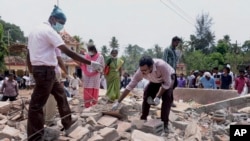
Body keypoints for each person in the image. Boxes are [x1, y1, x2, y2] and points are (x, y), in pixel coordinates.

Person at [26, 5, 102, 141]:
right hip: (45, 71)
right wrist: (90, 63)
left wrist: (32, 72)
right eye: (61, 23)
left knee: (61, 96)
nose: (61, 26)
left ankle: (68, 124)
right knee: (36, 105)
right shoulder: (48, 31)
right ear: (53, 19)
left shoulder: (34, 31)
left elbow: (28, 54)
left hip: (45, 72)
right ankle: (35, 137)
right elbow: (68, 51)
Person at [112, 56, 177, 133]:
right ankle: (143, 119)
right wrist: (118, 102)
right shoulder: (140, 71)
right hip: (155, 80)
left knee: (167, 98)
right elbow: (130, 86)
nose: (142, 73)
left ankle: (165, 123)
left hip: (169, 78)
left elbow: (167, 84)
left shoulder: (161, 66)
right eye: (141, 70)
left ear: (151, 67)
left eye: (144, 70)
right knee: (146, 95)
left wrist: (158, 97)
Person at [43, 47, 69, 126]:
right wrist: (66, 71)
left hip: (41, 71)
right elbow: (59, 60)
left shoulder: (41, 43)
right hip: (53, 72)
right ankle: (49, 121)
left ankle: (43, 119)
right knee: (52, 96)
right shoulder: (54, 45)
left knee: (44, 96)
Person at [162, 36, 181, 107]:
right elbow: (164, 61)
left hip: (173, 71)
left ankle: (169, 100)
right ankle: (169, 101)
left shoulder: (174, 51)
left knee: (174, 85)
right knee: (169, 86)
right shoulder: (167, 49)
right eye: (176, 42)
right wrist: (166, 72)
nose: (177, 44)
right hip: (168, 72)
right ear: (173, 41)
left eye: (178, 43)